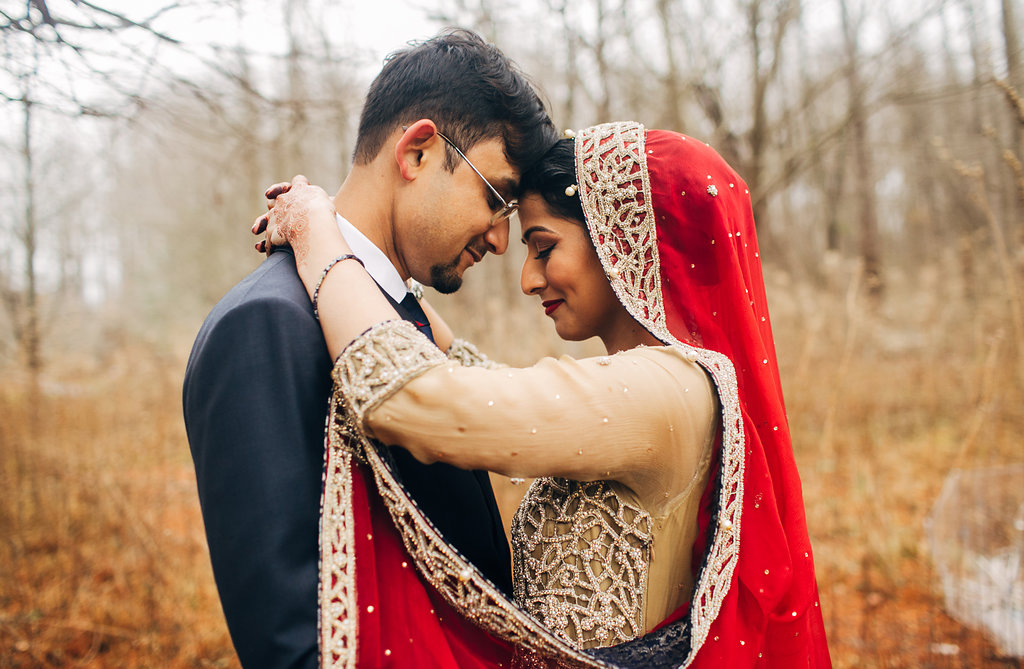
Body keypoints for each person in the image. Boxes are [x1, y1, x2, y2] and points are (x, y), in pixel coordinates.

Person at [258, 121, 832, 667]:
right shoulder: (661, 382)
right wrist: (362, 245)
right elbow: (464, 370)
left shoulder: (666, 390)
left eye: (543, 246)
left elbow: (408, 396)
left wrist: (319, 240)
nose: (530, 278)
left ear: (622, 241)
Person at [182, 29, 557, 668]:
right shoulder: (265, 327)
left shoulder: (400, 314)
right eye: (496, 198)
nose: (501, 240)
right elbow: (290, 643)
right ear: (417, 151)